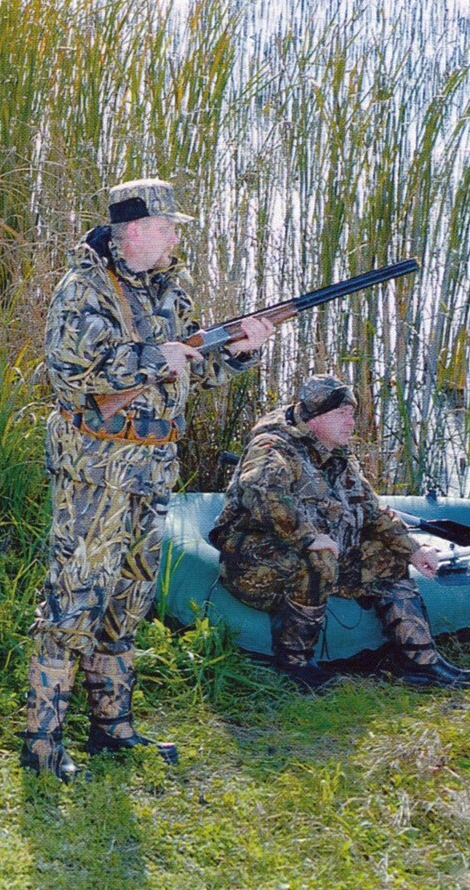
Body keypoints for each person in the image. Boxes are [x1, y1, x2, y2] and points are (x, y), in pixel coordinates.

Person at [24, 177, 276, 781]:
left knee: (129, 597)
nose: (174, 238)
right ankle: (41, 745)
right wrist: (148, 358)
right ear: (133, 231)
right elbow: (70, 372)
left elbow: (196, 371)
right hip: (96, 473)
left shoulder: (171, 287)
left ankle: (113, 730)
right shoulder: (83, 288)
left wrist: (239, 350)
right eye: (166, 228)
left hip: (153, 471)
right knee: (73, 598)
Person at [210, 374, 470, 690]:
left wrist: (413, 549)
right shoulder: (272, 446)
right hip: (254, 563)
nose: (351, 422)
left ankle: (421, 663)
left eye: (351, 414)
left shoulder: (336, 453)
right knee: (318, 557)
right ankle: (295, 664)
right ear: (316, 418)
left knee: (387, 556)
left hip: (317, 557)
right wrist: (307, 538)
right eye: (342, 414)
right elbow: (262, 492)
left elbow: (372, 508)